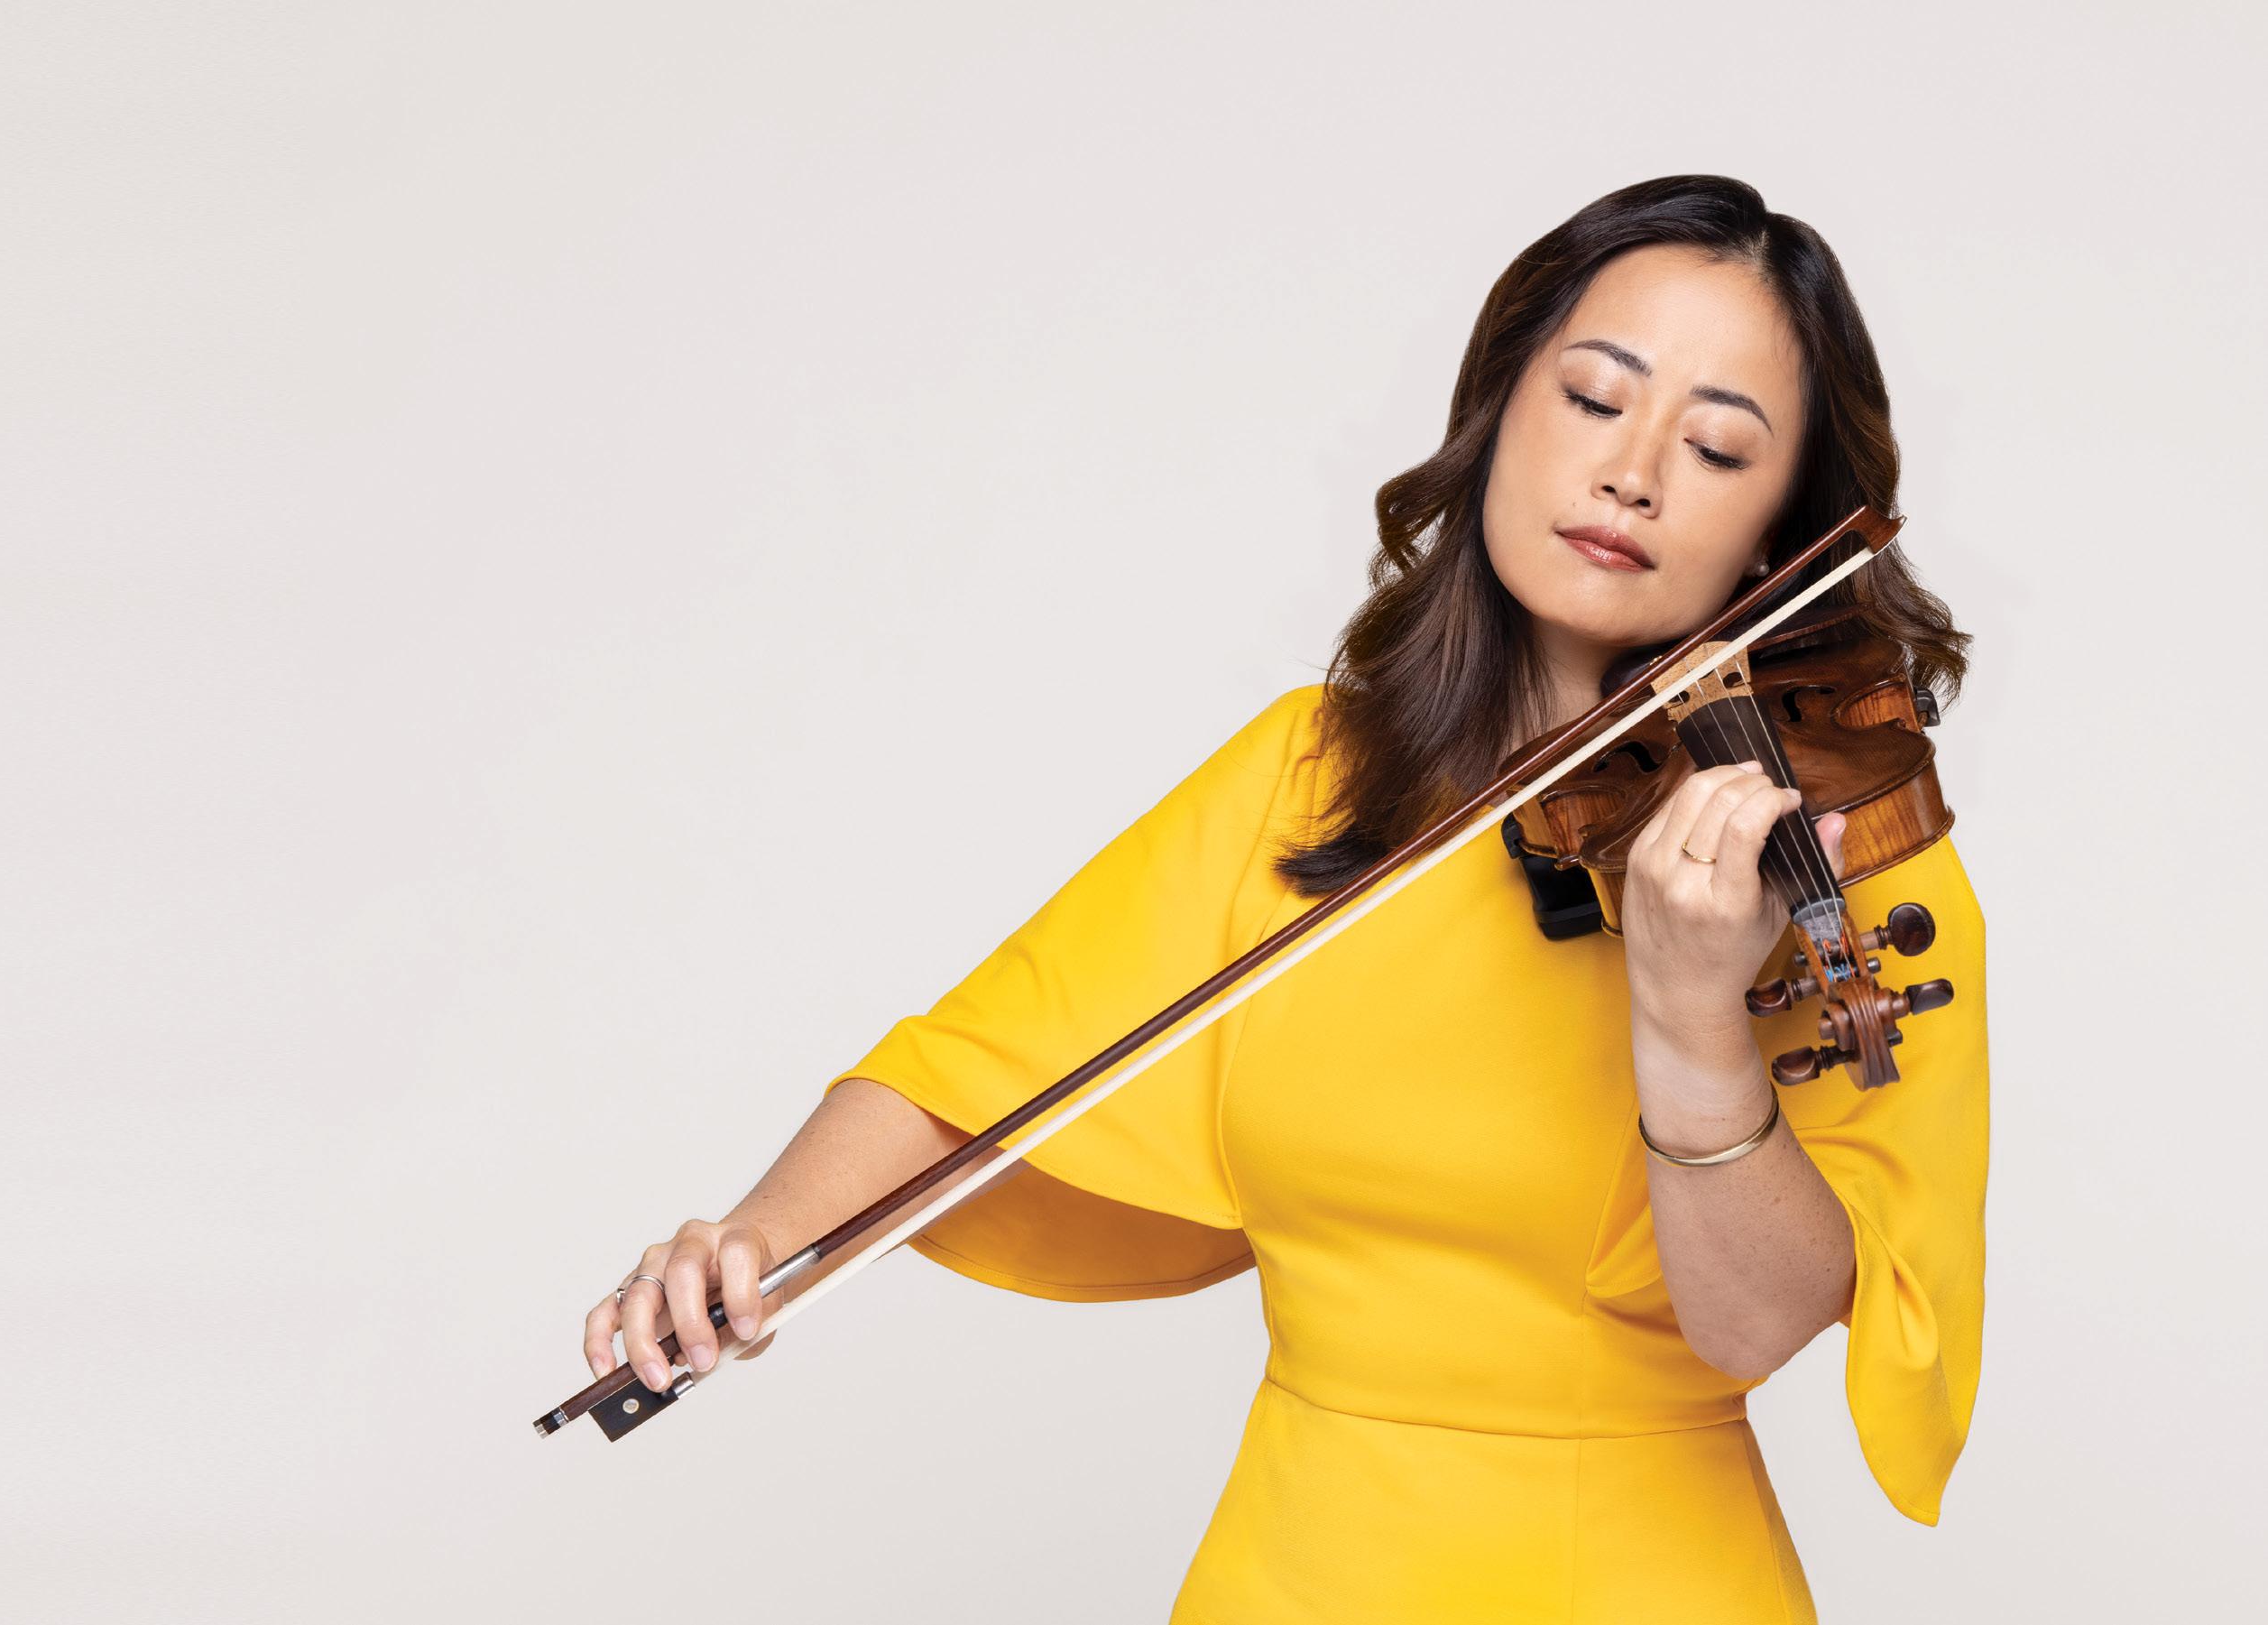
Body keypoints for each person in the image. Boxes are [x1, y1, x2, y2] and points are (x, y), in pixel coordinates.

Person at [579, 174, 1987, 1621]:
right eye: (1590, 398)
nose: (1632, 473)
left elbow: (1756, 1321)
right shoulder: (1306, 776)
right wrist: (747, 1242)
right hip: (1297, 1565)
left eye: (1715, 446)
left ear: (1775, 534)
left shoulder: (1834, 855)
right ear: (1498, 410)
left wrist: (1693, 1013)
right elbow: (976, 1075)